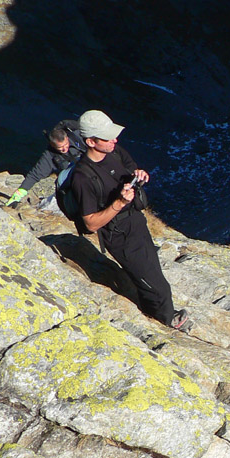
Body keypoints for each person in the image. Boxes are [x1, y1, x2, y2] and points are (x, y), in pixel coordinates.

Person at [71, 109, 190, 331]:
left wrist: (139, 176)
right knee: (158, 287)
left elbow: (131, 169)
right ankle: (167, 323)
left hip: (136, 223)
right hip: (119, 235)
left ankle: (152, 312)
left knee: (150, 274)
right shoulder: (83, 177)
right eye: (107, 137)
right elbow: (90, 224)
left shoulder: (114, 152)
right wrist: (119, 203)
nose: (114, 140)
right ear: (91, 142)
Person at [4, 120, 84, 207]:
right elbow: (34, 175)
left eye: (66, 144)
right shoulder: (49, 156)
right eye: (60, 147)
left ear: (67, 138)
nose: (65, 149)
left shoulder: (78, 136)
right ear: (52, 145)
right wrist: (17, 196)